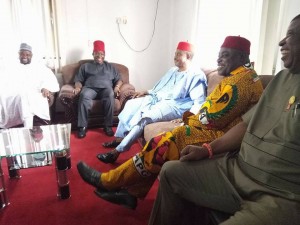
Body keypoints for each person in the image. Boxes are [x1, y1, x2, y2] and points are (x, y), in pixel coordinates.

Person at [76, 35, 264, 210]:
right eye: (219, 55)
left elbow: (212, 117)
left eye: (225, 56)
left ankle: (108, 181)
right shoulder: (242, 76)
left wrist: (188, 121)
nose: (218, 60)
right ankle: (130, 191)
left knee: (160, 144)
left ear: (240, 56)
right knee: (147, 125)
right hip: (214, 128)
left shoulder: (239, 81)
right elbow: (211, 111)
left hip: (219, 136)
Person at [146, 15, 300, 225]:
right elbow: (246, 125)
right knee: (171, 171)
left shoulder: (245, 80)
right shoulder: (281, 79)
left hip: (279, 196)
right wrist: (207, 150)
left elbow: (214, 117)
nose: (282, 42)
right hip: (236, 171)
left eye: (290, 34)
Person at [97, 41, 207, 164]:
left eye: (178, 54)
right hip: (158, 98)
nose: (174, 57)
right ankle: (120, 138)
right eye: (175, 53)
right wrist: (147, 91)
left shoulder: (196, 75)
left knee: (145, 117)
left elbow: (199, 102)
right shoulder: (173, 70)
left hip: (175, 105)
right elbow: (161, 87)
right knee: (131, 104)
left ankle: (117, 151)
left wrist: (186, 118)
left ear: (188, 57)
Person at [0, 43, 59, 129]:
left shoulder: (38, 66)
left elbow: (49, 78)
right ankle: (28, 127)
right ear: (19, 54)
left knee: (26, 97)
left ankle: (27, 127)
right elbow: (3, 81)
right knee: (23, 97)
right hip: (15, 93)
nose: (24, 56)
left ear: (31, 55)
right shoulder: (11, 67)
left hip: (35, 92)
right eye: (22, 54)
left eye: (27, 54)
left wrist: (45, 87)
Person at [73, 40, 123, 138]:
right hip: (90, 88)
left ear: (104, 55)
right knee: (83, 95)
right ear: (93, 54)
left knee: (110, 94)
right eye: (97, 54)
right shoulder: (85, 66)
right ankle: (82, 126)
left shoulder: (110, 67)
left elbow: (119, 80)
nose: (99, 56)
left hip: (106, 89)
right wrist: (77, 88)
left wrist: (117, 87)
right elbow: (78, 80)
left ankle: (107, 126)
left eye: (102, 54)